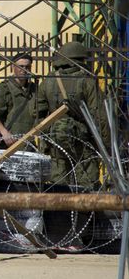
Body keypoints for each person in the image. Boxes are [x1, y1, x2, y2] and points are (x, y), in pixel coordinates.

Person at [36, 41, 108, 190]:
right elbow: (100, 117)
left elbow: (36, 111)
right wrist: (105, 146)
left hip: (55, 143)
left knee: (57, 187)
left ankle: (62, 212)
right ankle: (83, 213)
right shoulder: (86, 81)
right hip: (82, 143)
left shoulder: (48, 80)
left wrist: (46, 139)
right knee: (85, 186)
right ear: (78, 60)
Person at [0, 52, 38, 148]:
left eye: (27, 67)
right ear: (13, 67)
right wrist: (4, 133)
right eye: (21, 66)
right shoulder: (3, 88)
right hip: (7, 143)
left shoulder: (34, 89)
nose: (24, 70)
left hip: (27, 143)